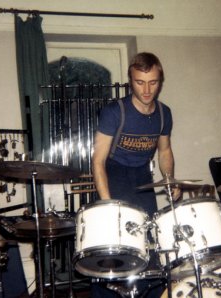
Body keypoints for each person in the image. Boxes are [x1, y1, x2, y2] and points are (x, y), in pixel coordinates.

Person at [91, 52, 177, 297]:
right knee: (113, 247)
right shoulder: (114, 112)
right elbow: (98, 161)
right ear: (131, 81)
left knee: (149, 243)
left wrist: (169, 179)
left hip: (142, 177)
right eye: (140, 82)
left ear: (160, 80)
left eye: (153, 82)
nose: (147, 89)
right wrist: (108, 204)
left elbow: (165, 150)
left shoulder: (164, 113)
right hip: (114, 172)